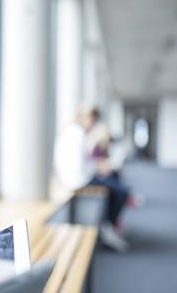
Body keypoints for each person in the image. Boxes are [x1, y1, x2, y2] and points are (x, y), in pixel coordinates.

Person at [53, 103, 130, 252]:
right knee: (121, 192)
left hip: (74, 177)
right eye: (92, 120)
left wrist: (98, 166)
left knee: (113, 181)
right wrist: (99, 167)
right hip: (78, 180)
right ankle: (109, 226)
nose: (93, 124)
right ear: (85, 117)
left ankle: (109, 224)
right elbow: (80, 166)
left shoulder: (71, 131)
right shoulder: (77, 133)